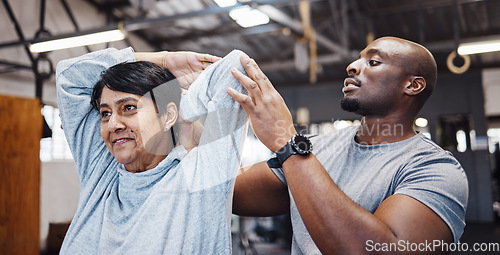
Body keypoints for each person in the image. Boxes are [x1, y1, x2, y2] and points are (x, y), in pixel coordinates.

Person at [228, 36, 468, 254]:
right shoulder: (316, 148)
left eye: (373, 62)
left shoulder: (435, 169)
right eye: (358, 58)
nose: (352, 66)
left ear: (412, 85)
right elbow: (226, 194)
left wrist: (287, 142)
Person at [56, 47, 249, 254]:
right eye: (105, 113)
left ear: (168, 116)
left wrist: (179, 106)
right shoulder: (100, 172)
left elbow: (236, 67)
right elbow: (69, 75)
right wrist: (164, 60)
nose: (113, 125)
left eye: (128, 108)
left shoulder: (199, 177)